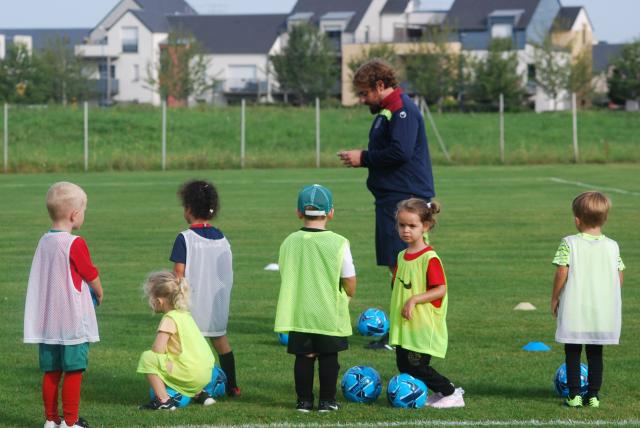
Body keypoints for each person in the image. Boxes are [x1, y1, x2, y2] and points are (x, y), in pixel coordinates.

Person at [338, 59, 435, 350]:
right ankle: (402, 330)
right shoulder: (385, 112)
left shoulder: (401, 110)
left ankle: (404, 332)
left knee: (406, 268)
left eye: (364, 92)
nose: (361, 99)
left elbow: (401, 152)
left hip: (405, 197)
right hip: (391, 198)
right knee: (398, 267)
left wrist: (364, 158)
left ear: (380, 85)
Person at [24, 182, 104, 428]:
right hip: (71, 321)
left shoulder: (44, 241)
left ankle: (51, 420)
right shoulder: (74, 243)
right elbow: (89, 273)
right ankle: (70, 422)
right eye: (84, 210)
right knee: (74, 371)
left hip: (48, 321)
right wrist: (100, 292)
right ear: (74, 214)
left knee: (51, 372)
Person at [274, 184, 357, 412]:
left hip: (299, 312)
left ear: (299, 212)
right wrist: (347, 295)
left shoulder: (289, 241)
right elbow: (349, 279)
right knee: (329, 357)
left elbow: (286, 272)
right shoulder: (339, 242)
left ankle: (304, 401)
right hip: (328, 311)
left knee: (305, 356)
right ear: (331, 212)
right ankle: (327, 401)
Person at [551, 191, 624, 408]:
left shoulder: (569, 243)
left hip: (575, 307)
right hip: (602, 310)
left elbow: (562, 272)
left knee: (572, 351)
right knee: (595, 353)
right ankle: (593, 396)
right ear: (605, 218)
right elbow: (619, 276)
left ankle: (574, 395)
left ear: (577, 219)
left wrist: (555, 298)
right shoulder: (613, 246)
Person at [389, 198, 465, 408]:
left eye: (412, 226)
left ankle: (451, 392)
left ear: (426, 226)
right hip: (407, 324)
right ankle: (430, 394)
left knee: (416, 365)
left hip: (423, 324)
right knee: (404, 364)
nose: (406, 230)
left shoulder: (429, 258)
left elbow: (440, 289)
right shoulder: (402, 256)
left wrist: (414, 299)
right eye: (402, 225)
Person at [170, 179, 241, 397]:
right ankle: (233, 386)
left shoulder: (185, 238)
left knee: (186, 347)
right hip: (217, 303)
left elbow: (179, 274)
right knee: (221, 342)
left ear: (188, 208)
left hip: (191, 305)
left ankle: (193, 388)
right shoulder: (223, 239)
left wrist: (176, 300)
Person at [137, 271, 215, 410]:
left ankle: (164, 401)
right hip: (205, 374)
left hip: (190, 374)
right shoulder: (185, 315)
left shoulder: (169, 318)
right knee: (184, 359)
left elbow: (157, 350)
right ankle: (201, 395)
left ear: (159, 301)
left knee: (148, 358)